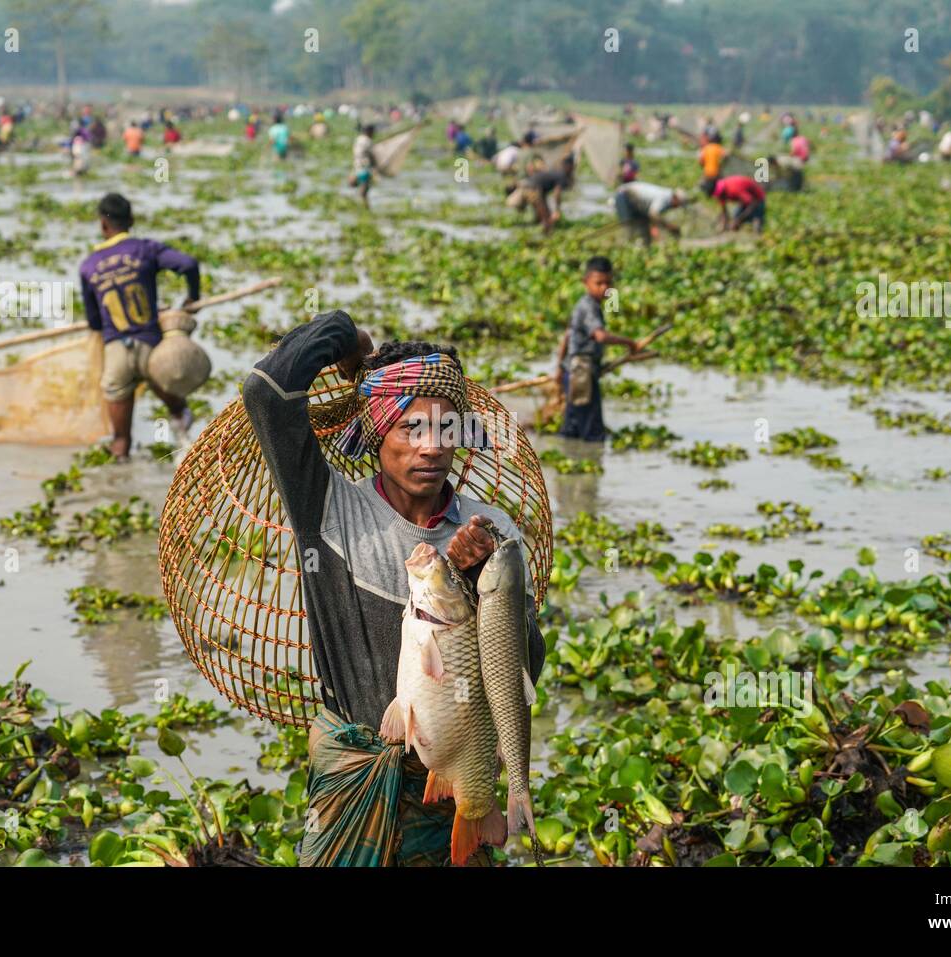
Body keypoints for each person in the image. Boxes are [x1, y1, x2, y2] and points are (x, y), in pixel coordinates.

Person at [239, 311, 546, 866]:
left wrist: (475, 583)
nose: (430, 448)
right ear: (378, 429)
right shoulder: (327, 508)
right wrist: (345, 336)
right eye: (411, 428)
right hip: (353, 780)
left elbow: (526, 667)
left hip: (452, 781)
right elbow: (266, 392)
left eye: (445, 430)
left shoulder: (491, 528)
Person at [79, 193, 201, 461]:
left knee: (120, 442)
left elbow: (94, 323)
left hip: (116, 353)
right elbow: (188, 264)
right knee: (177, 408)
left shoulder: (89, 266)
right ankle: (183, 435)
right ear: (131, 220)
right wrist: (193, 298)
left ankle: (119, 480)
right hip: (152, 348)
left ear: (102, 225)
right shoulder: (146, 249)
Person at [555, 257, 641, 442]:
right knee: (593, 431)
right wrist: (629, 342)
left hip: (577, 371)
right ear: (586, 282)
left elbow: (567, 337)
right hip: (581, 372)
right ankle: (591, 464)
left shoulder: (588, 305)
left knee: (573, 427)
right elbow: (600, 336)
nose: (604, 288)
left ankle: (571, 460)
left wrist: (560, 368)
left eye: (608, 283)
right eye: (599, 283)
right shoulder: (588, 307)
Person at [511, 154, 574, 234]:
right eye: (572, 166)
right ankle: (546, 232)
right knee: (545, 216)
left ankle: (539, 229)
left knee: (542, 213)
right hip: (532, 188)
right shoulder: (562, 175)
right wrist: (557, 210)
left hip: (532, 187)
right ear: (569, 166)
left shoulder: (557, 172)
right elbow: (556, 194)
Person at [614, 180, 686, 245]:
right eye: (678, 204)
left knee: (645, 233)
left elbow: (651, 217)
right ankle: (626, 247)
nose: (677, 207)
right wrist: (669, 227)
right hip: (624, 196)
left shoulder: (666, 196)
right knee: (630, 230)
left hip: (635, 201)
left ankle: (642, 248)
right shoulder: (665, 197)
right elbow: (653, 214)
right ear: (676, 199)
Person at [350, 123, 377, 207]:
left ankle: (360, 205)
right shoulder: (368, 141)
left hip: (357, 167)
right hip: (364, 169)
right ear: (369, 132)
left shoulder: (359, 139)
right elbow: (372, 156)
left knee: (359, 189)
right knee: (364, 193)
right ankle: (365, 208)